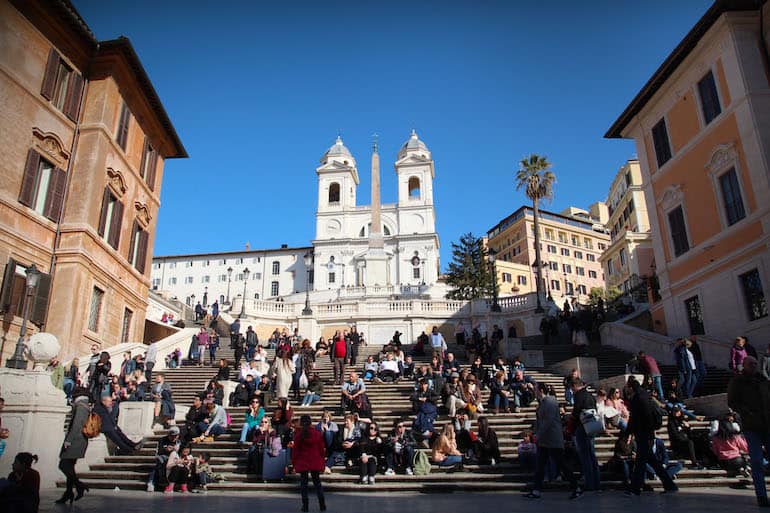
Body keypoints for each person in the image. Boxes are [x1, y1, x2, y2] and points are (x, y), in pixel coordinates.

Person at [523, 382, 581, 500]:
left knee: (561, 464)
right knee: (540, 465)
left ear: (541, 390)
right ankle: (536, 490)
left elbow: (547, 422)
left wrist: (537, 435)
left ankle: (576, 487)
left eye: (535, 389)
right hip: (544, 440)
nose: (534, 391)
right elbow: (540, 421)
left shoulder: (550, 402)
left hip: (553, 439)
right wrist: (533, 432)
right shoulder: (543, 403)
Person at [727, 355, 770, 507]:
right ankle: (762, 496)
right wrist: (745, 412)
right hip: (751, 426)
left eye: (755, 364)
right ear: (744, 365)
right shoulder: (737, 382)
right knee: (757, 461)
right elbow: (731, 402)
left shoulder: (763, 381)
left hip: (767, 424)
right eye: (750, 364)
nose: (753, 366)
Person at [625, 377, 678, 496]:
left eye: (627, 388)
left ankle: (635, 489)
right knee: (652, 462)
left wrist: (628, 432)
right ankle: (670, 485)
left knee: (640, 463)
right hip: (647, 433)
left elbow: (635, 418)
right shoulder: (644, 395)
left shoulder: (638, 398)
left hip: (643, 433)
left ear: (631, 387)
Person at [57, 387, 91, 504]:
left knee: (63, 465)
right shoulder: (83, 406)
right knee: (69, 466)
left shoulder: (81, 407)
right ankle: (68, 492)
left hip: (76, 440)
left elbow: (77, 425)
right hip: (79, 440)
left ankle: (79, 486)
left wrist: (68, 440)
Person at [570, 377, 601, 492]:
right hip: (592, 427)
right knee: (592, 455)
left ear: (574, 386)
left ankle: (590, 484)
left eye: (572, 388)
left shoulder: (579, 395)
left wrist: (571, 420)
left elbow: (576, 411)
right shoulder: (590, 395)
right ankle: (597, 483)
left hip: (582, 426)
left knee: (585, 456)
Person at [292, 415, 326, 511]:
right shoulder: (317, 433)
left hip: (303, 461)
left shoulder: (298, 435)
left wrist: (294, 463)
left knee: (304, 484)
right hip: (315, 460)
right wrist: (323, 462)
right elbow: (321, 450)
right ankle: (322, 504)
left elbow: (295, 451)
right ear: (311, 423)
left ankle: (305, 505)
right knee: (317, 483)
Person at [148, 426, 181, 492]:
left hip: (173, 459)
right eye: (172, 436)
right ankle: (151, 483)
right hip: (163, 457)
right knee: (159, 464)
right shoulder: (162, 440)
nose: (173, 438)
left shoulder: (179, 442)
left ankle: (171, 484)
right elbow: (158, 452)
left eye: (175, 436)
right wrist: (165, 450)